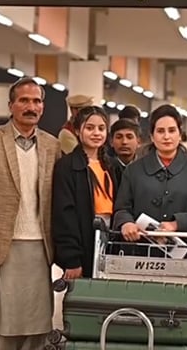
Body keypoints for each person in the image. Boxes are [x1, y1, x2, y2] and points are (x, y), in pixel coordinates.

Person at [0, 77, 61, 350]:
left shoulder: (52, 145)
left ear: (43, 107)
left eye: (36, 101)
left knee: (36, 323)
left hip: (40, 247)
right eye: (24, 100)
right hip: (0, 245)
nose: (30, 106)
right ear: (11, 105)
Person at [113, 104, 187, 245]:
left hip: (184, 254)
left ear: (180, 135)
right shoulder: (133, 171)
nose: (166, 137)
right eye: (160, 131)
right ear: (152, 137)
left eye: (172, 130)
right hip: (139, 251)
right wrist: (126, 222)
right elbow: (121, 208)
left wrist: (176, 224)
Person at [52, 106, 117, 279]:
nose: (96, 133)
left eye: (101, 128)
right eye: (90, 128)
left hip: (110, 241)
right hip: (84, 241)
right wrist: (71, 259)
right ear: (77, 131)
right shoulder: (66, 167)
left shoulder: (111, 165)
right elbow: (64, 215)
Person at [109, 118, 141, 186]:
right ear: (111, 142)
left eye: (129, 137)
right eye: (119, 137)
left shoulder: (146, 168)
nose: (124, 142)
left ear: (138, 142)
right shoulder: (106, 169)